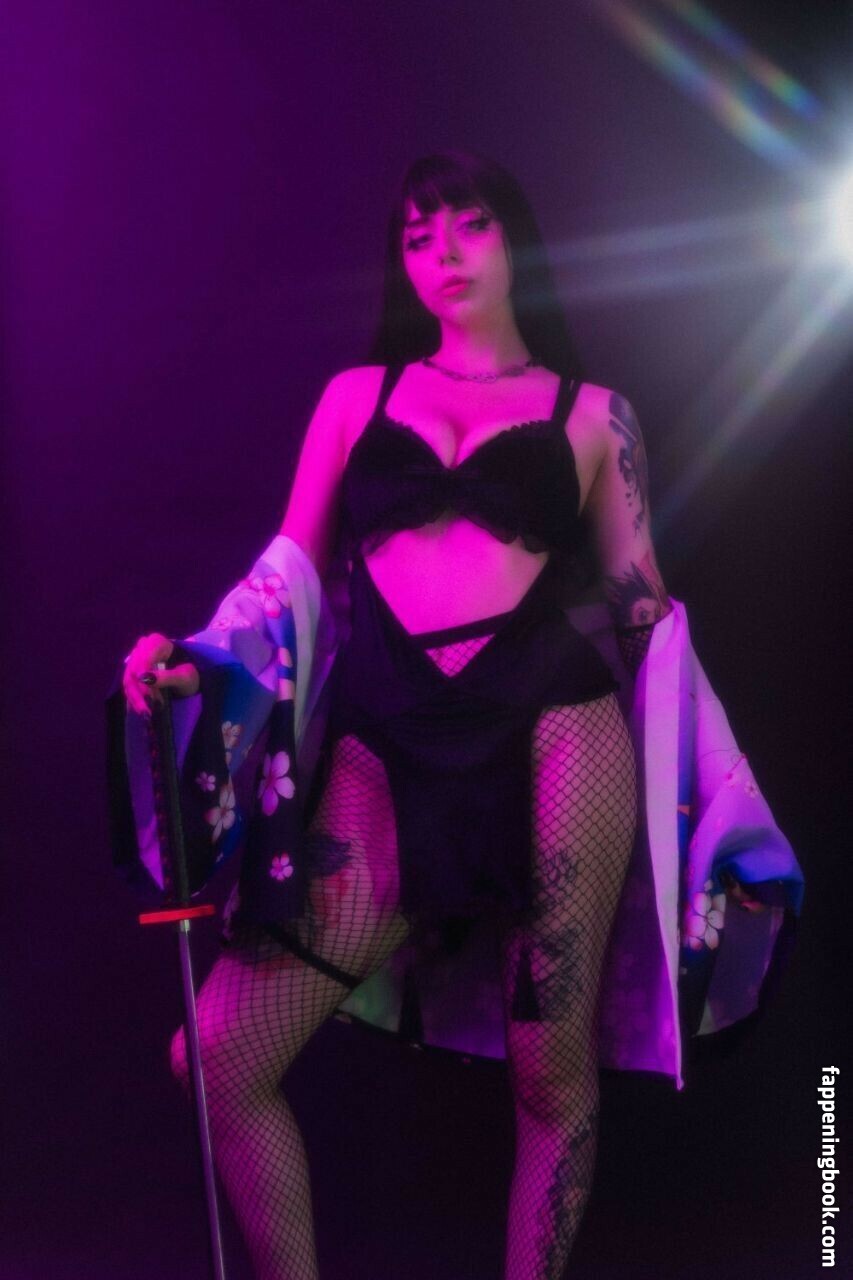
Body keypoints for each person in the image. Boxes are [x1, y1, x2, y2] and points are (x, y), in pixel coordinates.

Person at [121, 150, 776, 1280]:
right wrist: (195, 665)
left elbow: (641, 609)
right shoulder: (356, 396)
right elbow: (289, 576)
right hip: (386, 737)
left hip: (555, 728)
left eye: (466, 225)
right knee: (219, 1056)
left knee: (549, 1074)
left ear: (512, 237)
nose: (442, 254)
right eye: (417, 237)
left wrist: (710, 798)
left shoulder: (593, 414)